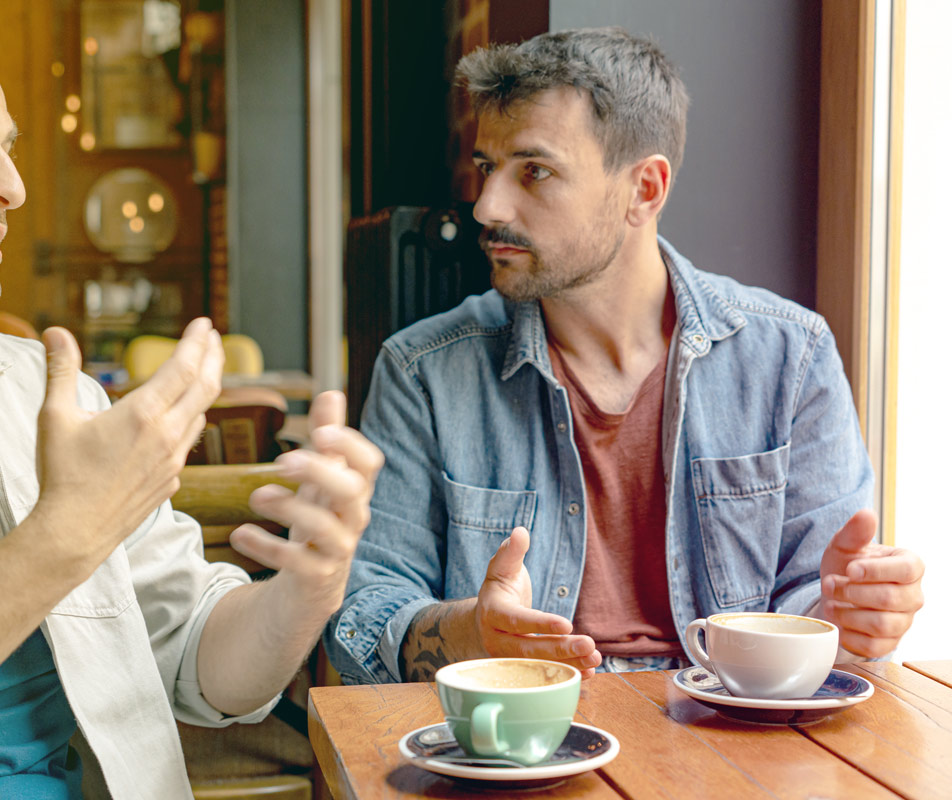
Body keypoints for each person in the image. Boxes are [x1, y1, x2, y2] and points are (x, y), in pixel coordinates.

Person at [0, 4, 381, 799]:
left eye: (6, 146)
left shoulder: (48, 394)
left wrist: (306, 593)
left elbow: (199, 660)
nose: (11, 185)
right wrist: (61, 541)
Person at [324, 28, 924, 686]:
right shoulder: (423, 371)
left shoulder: (791, 356)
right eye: (488, 166)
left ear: (645, 189)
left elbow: (818, 608)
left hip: (732, 741)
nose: (488, 206)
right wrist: (471, 634)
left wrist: (849, 616)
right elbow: (361, 615)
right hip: (525, 746)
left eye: (535, 171)